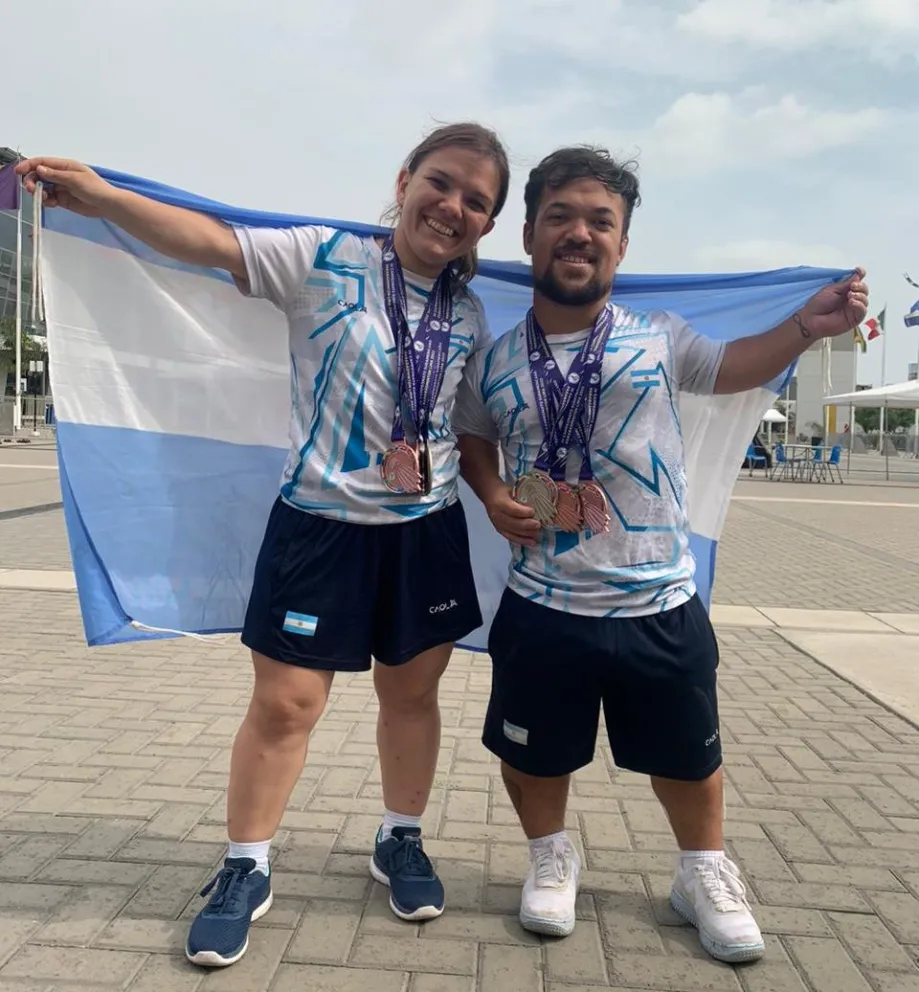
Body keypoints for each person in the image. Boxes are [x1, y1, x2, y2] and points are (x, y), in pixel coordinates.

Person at [18, 122, 511, 968]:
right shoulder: (320, 257)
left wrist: (496, 496)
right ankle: (245, 864)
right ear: (402, 181)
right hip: (317, 528)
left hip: (423, 533)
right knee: (286, 705)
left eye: (476, 200)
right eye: (441, 182)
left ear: (487, 226)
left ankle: (399, 837)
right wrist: (102, 198)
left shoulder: (466, 312)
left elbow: (468, 433)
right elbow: (208, 243)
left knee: (412, 697)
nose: (452, 206)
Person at [454, 145, 868, 964]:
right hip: (544, 604)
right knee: (534, 753)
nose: (579, 234)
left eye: (599, 222)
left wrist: (803, 328)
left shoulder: (659, 336)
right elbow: (472, 437)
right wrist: (491, 491)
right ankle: (549, 856)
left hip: (659, 604)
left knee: (686, 755)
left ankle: (700, 873)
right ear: (529, 235)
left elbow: (730, 369)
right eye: (561, 218)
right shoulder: (493, 359)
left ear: (621, 245)